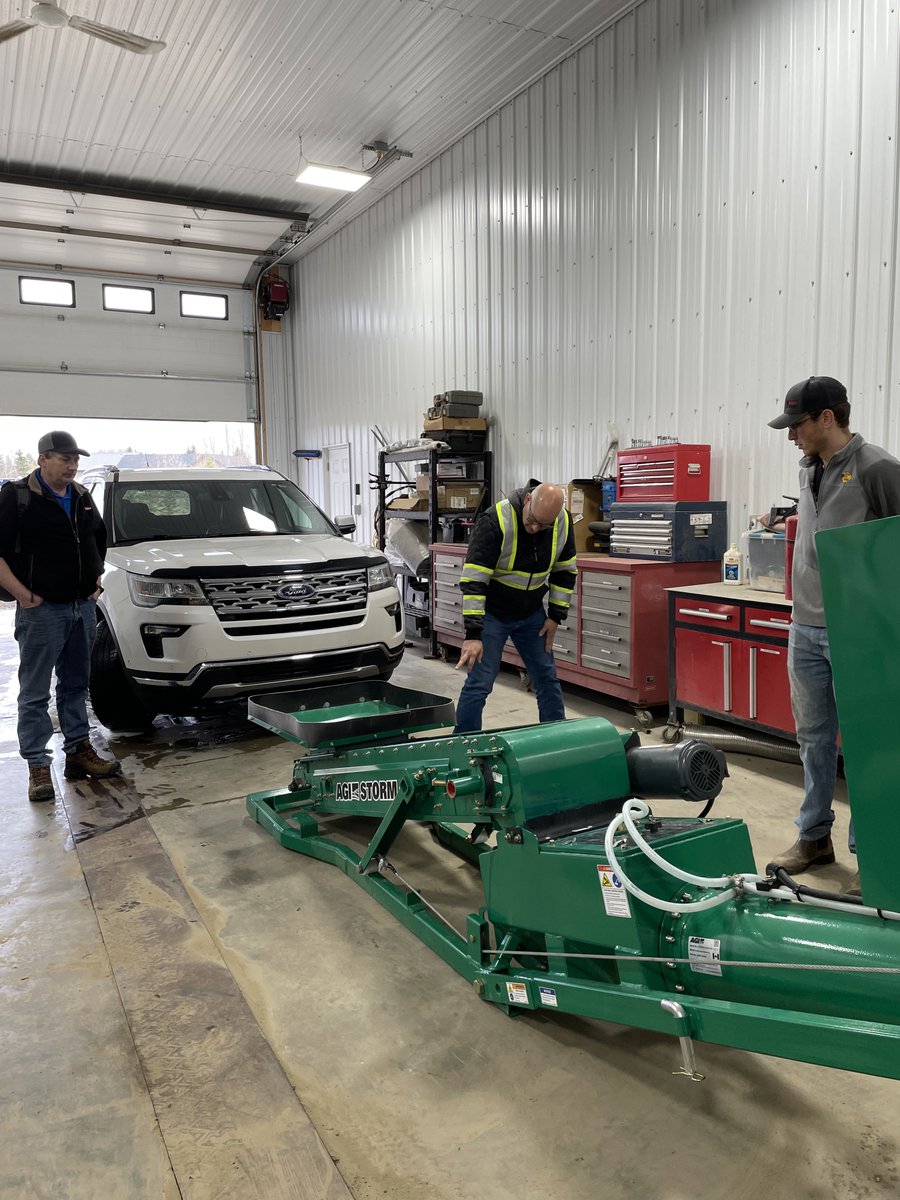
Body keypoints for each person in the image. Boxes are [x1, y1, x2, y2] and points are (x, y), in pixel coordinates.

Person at [767, 377, 900, 892]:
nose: (790, 435)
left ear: (827, 418)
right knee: (813, 739)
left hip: (862, 634)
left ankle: (874, 854)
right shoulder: (809, 468)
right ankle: (813, 836)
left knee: (870, 745)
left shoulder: (878, 469)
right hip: (806, 628)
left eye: (796, 424)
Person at [0, 430, 121, 802]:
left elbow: (97, 542)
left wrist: (95, 583)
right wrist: (24, 596)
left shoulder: (82, 497)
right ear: (42, 460)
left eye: (75, 460)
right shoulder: (16, 497)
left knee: (75, 686)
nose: (72, 466)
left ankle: (78, 753)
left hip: (81, 607)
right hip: (41, 611)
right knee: (35, 692)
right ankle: (37, 765)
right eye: (64, 459)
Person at [453, 480, 577, 733]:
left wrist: (555, 617)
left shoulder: (562, 521)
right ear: (528, 499)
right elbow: (474, 580)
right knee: (480, 682)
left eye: (543, 525)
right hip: (493, 615)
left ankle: (557, 738)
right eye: (531, 520)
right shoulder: (495, 520)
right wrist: (473, 634)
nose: (534, 528)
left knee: (546, 677)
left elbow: (565, 572)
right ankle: (464, 742)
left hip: (532, 614)